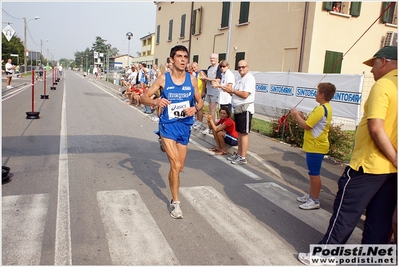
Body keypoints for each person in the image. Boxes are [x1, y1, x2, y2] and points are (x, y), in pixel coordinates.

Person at [297, 46, 397, 265]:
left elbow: (376, 128)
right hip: (390, 171)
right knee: (379, 222)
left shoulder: (384, 85)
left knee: (345, 214)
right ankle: (373, 261)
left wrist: (394, 156)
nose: (371, 71)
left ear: (384, 61)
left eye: (373, 65)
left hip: (368, 165)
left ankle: (324, 256)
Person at [140, 45, 203, 219]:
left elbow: (200, 102)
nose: (183, 59)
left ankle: (165, 147)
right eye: (179, 56)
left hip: (184, 126)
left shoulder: (191, 79)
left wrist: (195, 108)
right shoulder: (163, 79)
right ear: (172, 59)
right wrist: (156, 102)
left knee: (179, 167)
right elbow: (143, 97)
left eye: (185, 57)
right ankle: (176, 203)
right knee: (175, 165)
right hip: (168, 126)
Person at [291, 82, 336, 210]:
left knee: (314, 174)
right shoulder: (325, 107)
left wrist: (296, 116)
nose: (315, 94)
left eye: (317, 92)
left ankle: (315, 200)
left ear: (322, 95)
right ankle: (312, 195)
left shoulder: (321, 109)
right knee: (312, 173)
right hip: (315, 145)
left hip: (316, 147)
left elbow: (306, 125)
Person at [226, 60, 256, 165]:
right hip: (238, 109)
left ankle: (243, 157)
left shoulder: (249, 78)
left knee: (243, 133)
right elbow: (234, 94)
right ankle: (239, 154)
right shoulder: (239, 78)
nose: (241, 69)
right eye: (239, 67)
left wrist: (233, 91)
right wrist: (226, 89)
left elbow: (244, 95)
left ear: (248, 67)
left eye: (243, 67)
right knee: (239, 133)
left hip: (245, 109)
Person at [200, 53, 222, 134]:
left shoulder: (219, 67)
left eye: (213, 58)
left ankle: (211, 128)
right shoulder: (209, 67)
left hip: (215, 91)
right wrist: (205, 79)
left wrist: (206, 78)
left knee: (212, 109)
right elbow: (208, 78)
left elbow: (218, 80)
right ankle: (214, 125)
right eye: (211, 58)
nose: (212, 60)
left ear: (217, 59)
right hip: (209, 90)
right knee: (211, 109)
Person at [191, 62, 206, 130]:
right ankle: (198, 121)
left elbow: (205, 81)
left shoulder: (201, 73)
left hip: (200, 93)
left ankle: (200, 122)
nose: (194, 69)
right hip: (197, 93)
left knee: (199, 108)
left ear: (198, 66)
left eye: (195, 67)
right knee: (197, 107)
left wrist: (203, 91)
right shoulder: (197, 73)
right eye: (193, 68)